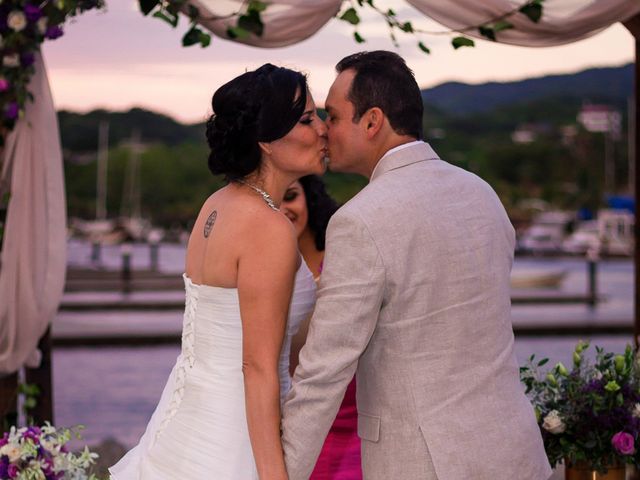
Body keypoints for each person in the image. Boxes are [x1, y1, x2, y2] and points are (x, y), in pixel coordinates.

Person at [281, 51, 552, 480]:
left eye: (332, 116)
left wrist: (282, 473)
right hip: (515, 449)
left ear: (372, 121)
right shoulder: (482, 194)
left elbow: (323, 372)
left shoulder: (360, 219)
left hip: (423, 462)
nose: (323, 131)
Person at [109, 63, 327, 480]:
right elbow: (257, 366)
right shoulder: (268, 227)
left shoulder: (216, 205)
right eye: (306, 119)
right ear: (266, 139)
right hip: (235, 437)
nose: (322, 129)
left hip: (186, 419)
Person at [281, 176, 362, 480]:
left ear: (311, 199)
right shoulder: (265, 271)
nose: (281, 209)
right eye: (270, 202)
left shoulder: (343, 261)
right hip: (293, 422)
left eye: (290, 197)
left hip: (352, 419)